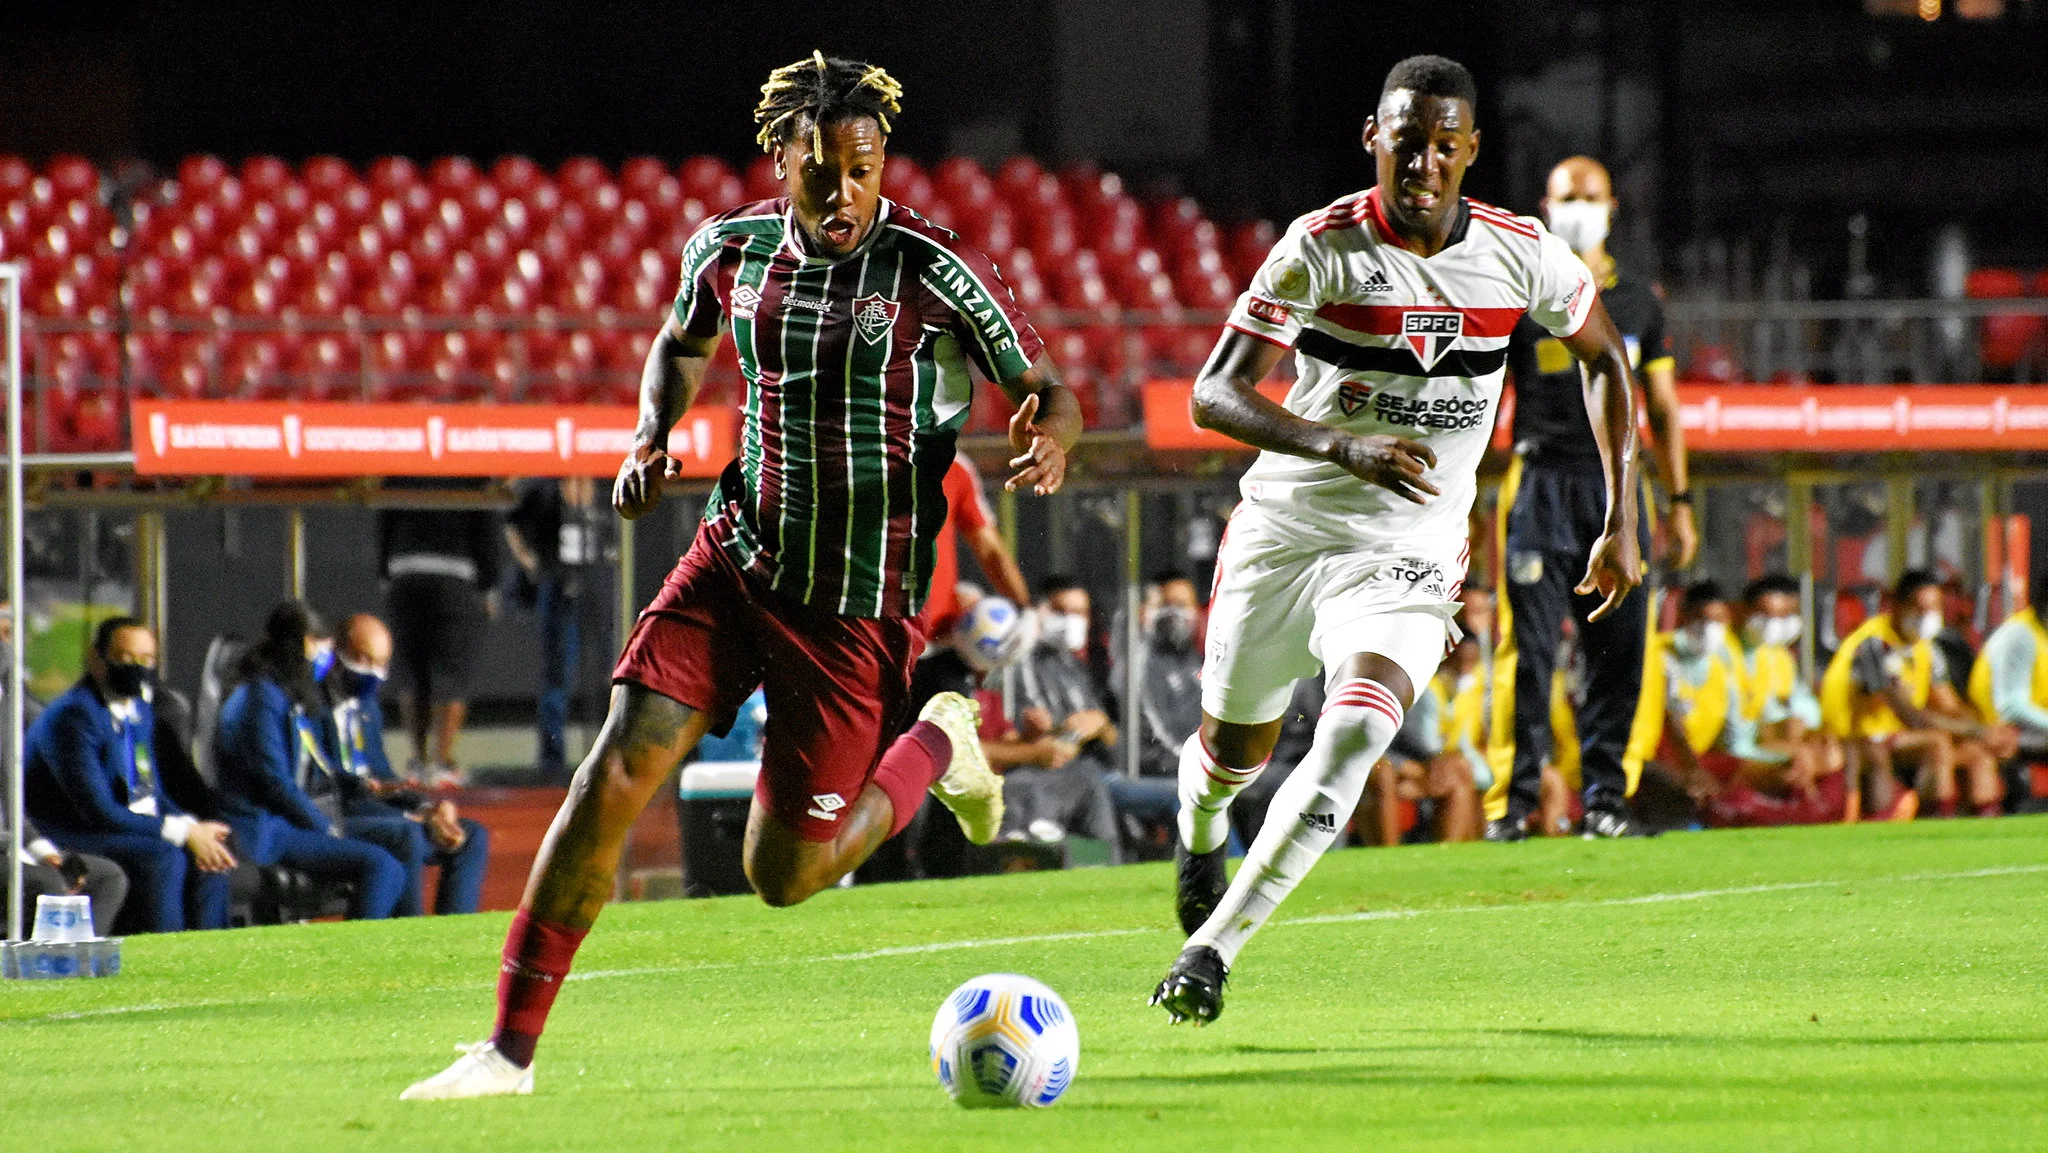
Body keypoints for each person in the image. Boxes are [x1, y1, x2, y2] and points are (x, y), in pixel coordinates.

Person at [403, 52, 1081, 1100]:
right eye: (823, 169)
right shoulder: (728, 249)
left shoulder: (930, 267)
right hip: (737, 553)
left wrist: (1052, 434)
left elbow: (1044, 383)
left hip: (852, 605)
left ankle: (936, 741)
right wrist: (649, 435)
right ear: (780, 159)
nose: (845, 191)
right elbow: (680, 344)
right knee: (614, 771)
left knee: (785, 875)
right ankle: (507, 1051)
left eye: (863, 168)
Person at [1150, 55, 1642, 1026]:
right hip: (1287, 531)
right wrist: (1337, 443)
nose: (1420, 161)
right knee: (1226, 757)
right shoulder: (1319, 247)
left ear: (1468, 152)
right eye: (1403, 141)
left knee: (1355, 730)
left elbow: (1605, 360)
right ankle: (1198, 831)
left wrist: (1623, 514)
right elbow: (1213, 391)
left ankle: (1210, 952)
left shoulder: (1520, 252)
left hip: (1407, 550)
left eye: (1440, 145)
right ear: (1372, 140)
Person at [1483, 154, 1691, 842]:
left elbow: (1662, 408)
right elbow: (1484, 403)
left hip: (1619, 489)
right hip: (1538, 481)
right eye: (1566, 195)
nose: (1578, 206)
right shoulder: (1517, 296)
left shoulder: (1638, 301)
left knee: (1620, 650)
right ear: (1544, 202)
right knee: (1530, 652)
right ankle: (1510, 807)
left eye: (1590, 195)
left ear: (1612, 207)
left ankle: (1605, 800)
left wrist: (1681, 500)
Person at [22, 617, 232, 933]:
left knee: (212, 855)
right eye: (125, 658)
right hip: (74, 832)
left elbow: (149, 791)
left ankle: (213, 954)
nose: (137, 668)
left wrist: (193, 828)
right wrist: (182, 833)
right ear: (97, 659)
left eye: (146, 660)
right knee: (165, 856)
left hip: (125, 825)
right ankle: (165, 954)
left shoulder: (139, 712)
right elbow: (99, 811)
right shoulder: (74, 717)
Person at [214, 602, 408, 921]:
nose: (325, 663)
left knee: (390, 862)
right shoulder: (262, 699)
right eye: (321, 652)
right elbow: (275, 781)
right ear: (301, 648)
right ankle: (355, 959)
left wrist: (356, 785)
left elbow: (315, 763)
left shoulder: (284, 695)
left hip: (287, 822)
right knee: (382, 866)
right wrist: (325, 828)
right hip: (265, 830)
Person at [326, 614, 492, 915]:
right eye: (362, 660)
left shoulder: (367, 708)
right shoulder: (315, 705)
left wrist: (426, 808)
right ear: (338, 654)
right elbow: (329, 784)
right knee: (406, 833)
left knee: (471, 836)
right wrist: (409, 816)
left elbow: (384, 775)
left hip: (382, 813)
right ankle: (410, 931)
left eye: (380, 663)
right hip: (341, 815)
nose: (372, 672)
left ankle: (453, 941)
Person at [1821, 569, 2013, 821]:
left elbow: (1950, 705)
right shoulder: (1874, 645)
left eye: (1934, 608)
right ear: (1896, 606)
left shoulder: (1927, 650)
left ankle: (1988, 829)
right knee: (1937, 744)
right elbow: (1910, 715)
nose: (1927, 616)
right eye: (1919, 608)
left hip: (1899, 737)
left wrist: (1988, 730)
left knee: (1978, 753)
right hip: (1859, 736)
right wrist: (1975, 730)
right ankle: (1936, 821)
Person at [1625, 581, 1812, 828]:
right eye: (1703, 620)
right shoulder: (1662, 655)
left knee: (1789, 767)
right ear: (1683, 617)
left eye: (1717, 621)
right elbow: (1674, 726)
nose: (1710, 630)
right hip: (1666, 759)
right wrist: (1693, 771)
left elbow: (1740, 723)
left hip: (1703, 756)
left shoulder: (1722, 662)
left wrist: (1794, 748)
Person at [379, 481, 504, 784]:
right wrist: (489, 587)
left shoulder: (404, 463)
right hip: (456, 579)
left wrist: (386, 575)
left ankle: (418, 762)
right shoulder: (469, 467)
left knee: (412, 673)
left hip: (404, 575)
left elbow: (384, 520)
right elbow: (486, 527)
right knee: (451, 674)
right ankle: (441, 762)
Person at [1000, 581, 1125, 860]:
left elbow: (1116, 748)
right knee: (1088, 783)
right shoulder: (1019, 663)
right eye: (1062, 611)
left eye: (1081, 613)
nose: (1072, 621)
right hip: (1051, 770)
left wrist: (1101, 725)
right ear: (1039, 611)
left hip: (1096, 769)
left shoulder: (1076, 669)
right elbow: (1030, 734)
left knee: (1179, 794)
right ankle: (1100, 862)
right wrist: (1061, 728)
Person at [505, 477, 605, 783]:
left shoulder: (599, 485)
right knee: (557, 672)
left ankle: (605, 752)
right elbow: (513, 522)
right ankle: (552, 756)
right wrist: (530, 563)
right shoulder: (545, 491)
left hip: (592, 584)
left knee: (603, 667)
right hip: (558, 585)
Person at [1108, 573, 1205, 852]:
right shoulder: (1141, 662)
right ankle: (1228, 869)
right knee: (1200, 796)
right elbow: (1152, 734)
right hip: (1161, 771)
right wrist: (1205, 766)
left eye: (1184, 605)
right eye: (1169, 604)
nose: (1177, 615)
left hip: (1204, 766)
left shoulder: (1195, 661)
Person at [921, 455, 1031, 637]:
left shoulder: (951, 464)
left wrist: (1023, 612)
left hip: (939, 636)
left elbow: (989, 550)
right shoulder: (860, 457)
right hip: (869, 636)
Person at [1968, 578, 2048, 790]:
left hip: (2033, 728)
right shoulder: (2020, 636)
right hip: (2002, 730)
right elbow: (2011, 707)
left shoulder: (2043, 635)